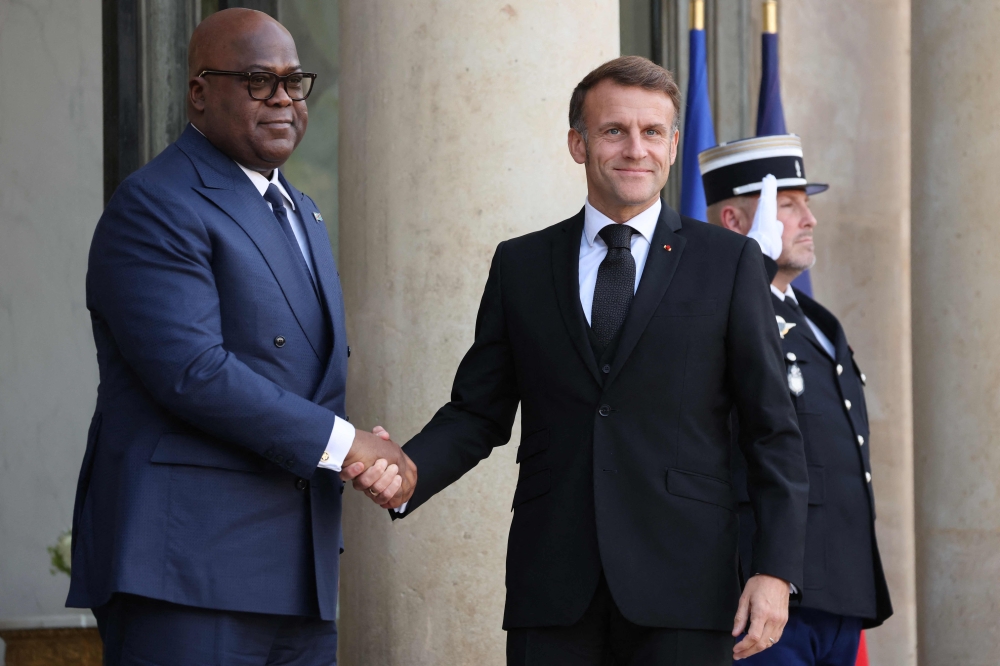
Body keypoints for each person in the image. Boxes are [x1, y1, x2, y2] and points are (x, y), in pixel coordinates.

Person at [348, 56, 809, 665]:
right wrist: (407, 470)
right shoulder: (522, 265)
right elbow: (476, 413)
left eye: (652, 133)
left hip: (686, 587)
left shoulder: (729, 264)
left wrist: (774, 570)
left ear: (673, 146)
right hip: (553, 587)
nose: (634, 149)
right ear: (578, 143)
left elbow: (771, 431)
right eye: (614, 130)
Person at [66, 9, 415, 664]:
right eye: (258, 81)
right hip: (189, 572)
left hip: (294, 573)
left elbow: (297, 377)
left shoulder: (301, 210)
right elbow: (193, 372)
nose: (283, 99)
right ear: (200, 92)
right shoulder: (158, 203)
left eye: (294, 82)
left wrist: (359, 446)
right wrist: (344, 444)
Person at [698, 135, 893, 665]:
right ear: (736, 222)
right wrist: (748, 271)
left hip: (841, 593)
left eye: (808, 203)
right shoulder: (722, 314)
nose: (809, 219)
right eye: (787, 205)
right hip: (766, 599)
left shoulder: (819, 323)